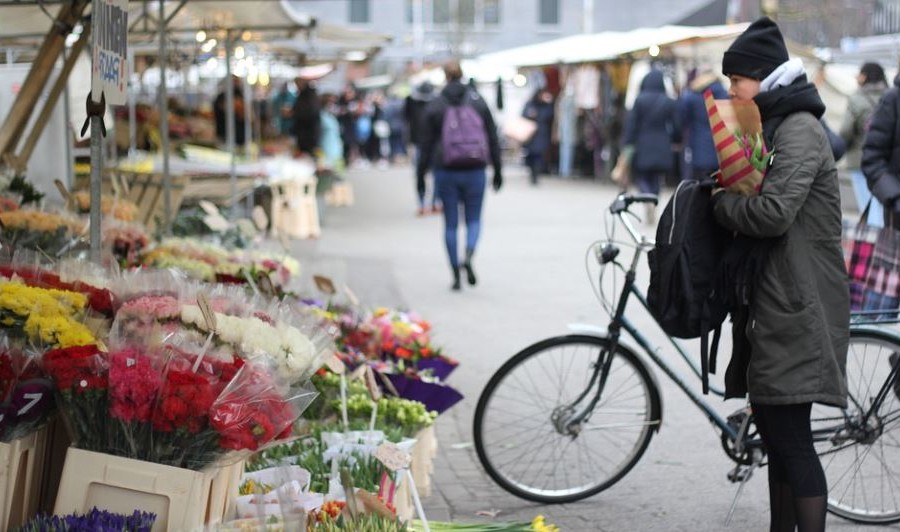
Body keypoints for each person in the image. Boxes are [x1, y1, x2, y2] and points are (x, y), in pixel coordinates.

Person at [713, 17, 849, 532]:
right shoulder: (774, 124)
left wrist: (721, 202)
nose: (731, 91)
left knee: (791, 442)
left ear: (763, 76)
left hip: (799, 305)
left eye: (736, 80)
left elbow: (771, 214)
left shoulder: (798, 130)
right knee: (776, 436)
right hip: (778, 301)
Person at [417, 59, 503, 291]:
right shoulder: (478, 101)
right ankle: (470, 253)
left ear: (444, 76)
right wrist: (498, 170)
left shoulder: (435, 104)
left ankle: (455, 273)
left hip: (445, 170)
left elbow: (424, 144)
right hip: (475, 169)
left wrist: (420, 177)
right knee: (474, 219)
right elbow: (493, 138)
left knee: (451, 224)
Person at [622, 68, 680, 221]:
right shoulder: (669, 101)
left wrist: (627, 142)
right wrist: (675, 140)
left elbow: (632, 125)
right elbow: (676, 125)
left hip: (643, 142)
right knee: (657, 178)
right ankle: (653, 199)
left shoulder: (640, 100)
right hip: (662, 143)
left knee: (642, 176)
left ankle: (647, 199)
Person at [842, 62, 888, 226]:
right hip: (885, 161)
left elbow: (846, 130)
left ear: (866, 76)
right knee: (881, 205)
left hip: (859, 159)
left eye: (860, 73)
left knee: (866, 205)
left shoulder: (856, 98)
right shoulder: (891, 96)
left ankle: (871, 245)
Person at [679, 69, 728, 179]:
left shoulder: (692, 97)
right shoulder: (725, 95)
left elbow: (682, 119)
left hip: (698, 145)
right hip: (721, 147)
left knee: (699, 182)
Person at [406, 81, 439, 215]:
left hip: (426, 144)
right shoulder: (412, 103)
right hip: (423, 143)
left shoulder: (433, 104)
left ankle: (431, 202)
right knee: (425, 174)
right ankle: (428, 202)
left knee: (426, 174)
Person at [521, 88, 555, 185]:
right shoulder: (530, 104)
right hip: (530, 134)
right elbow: (524, 115)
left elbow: (550, 116)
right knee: (531, 155)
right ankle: (533, 173)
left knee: (539, 155)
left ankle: (536, 175)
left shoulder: (547, 106)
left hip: (542, 134)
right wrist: (530, 115)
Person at [214, 75, 246, 146]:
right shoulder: (222, 96)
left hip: (239, 132)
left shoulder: (239, 94)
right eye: (235, 81)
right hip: (225, 132)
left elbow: (244, 112)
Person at [292, 78, 321, 157]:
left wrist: (294, 112)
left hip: (308, 134)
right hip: (304, 133)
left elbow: (310, 113)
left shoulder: (310, 96)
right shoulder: (303, 95)